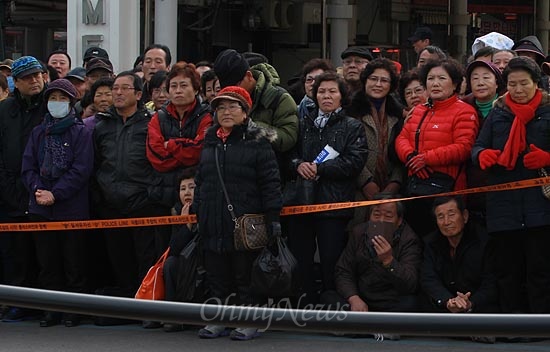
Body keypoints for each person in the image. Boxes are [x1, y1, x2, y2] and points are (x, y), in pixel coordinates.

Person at [194, 86, 282, 340]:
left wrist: (273, 218)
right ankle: (219, 318)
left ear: (245, 112)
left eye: (233, 106)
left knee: (245, 274)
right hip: (212, 219)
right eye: (220, 107)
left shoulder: (258, 141)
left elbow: (270, 182)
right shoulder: (210, 140)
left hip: (246, 221)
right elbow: (201, 179)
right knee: (216, 274)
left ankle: (249, 320)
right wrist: (199, 210)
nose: (226, 112)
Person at [472, 56, 550, 314]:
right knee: (507, 271)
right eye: (513, 84)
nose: (518, 90)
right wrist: (483, 156)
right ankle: (510, 324)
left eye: (524, 84)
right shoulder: (498, 113)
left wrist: (548, 158)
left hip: (541, 206)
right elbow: (478, 146)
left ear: (536, 84)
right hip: (503, 206)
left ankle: (540, 324)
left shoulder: (547, 111)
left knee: (540, 270)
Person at [286, 72, 368, 305]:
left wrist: (321, 169)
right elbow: (288, 156)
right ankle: (304, 301)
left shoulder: (352, 126)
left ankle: (332, 303)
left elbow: (354, 161)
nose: (326, 96)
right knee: (301, 257)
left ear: (342, 96)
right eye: (321, 91)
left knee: (332, 258)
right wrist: (298, 165)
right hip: (301, 202)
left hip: (334, 203)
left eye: (332, 91)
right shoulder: (302, 122)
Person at [21, 79, 94, 328]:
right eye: (53, 98)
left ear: (72, 102)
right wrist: (37, 189)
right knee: (47, 263)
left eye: (63, 99)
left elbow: (81, 169)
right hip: (40, 208)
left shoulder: (80, 131)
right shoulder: (38, 131)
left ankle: (73, 310)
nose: (57, 103)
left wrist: (57, 193)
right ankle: (51, 309)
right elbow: (28, 166)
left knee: (74, 262)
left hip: (71, 208)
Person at [93, 71, 166, 300]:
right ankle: (124, 306)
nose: (118, 93)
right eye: (115, 88)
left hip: (143, 203)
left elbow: (159, 163)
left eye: (124, 88)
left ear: (138, 94)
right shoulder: (101, 125)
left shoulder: (152, 123)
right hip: (111, 206)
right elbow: (95, 163)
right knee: (118, 259)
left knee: (145, 258)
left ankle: (145, 305)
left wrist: (151, 193)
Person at [395, 59, 479, 237]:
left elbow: (464, 147)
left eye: (442, 78)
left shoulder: (465, 111)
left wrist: (426, 159)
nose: (435, 83)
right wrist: (410, 157)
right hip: (416, 186)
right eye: (431, 78)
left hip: (448, 188)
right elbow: (402, 138)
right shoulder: (418, 110)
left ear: (455, 83)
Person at [0, 56, 48, 322]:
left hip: (45, 192)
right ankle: (17, 302)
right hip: (10, 194)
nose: (34, 80)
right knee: (14, 253)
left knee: (44, 253)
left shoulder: (53, 105)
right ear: (15, 82)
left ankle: (46, 303)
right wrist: (13, 192)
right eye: (28, 77)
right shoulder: (4, 111)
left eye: (38, 75)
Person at [146, 61, 213, 251]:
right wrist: (186, 150)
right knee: (162, 252)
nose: (178, 91)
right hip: (162, 194)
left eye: (184, 85)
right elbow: (156, 157)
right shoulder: (158, 118)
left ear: (196, 88)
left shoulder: (207, 116)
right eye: (173, 86)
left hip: (198, 194)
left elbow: (200, 151)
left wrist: (172, 145)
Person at [326, 198, 421, 320]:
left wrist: (389, 261)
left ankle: (361, 328)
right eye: (376, 215)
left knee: (412, 303)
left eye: (388, 216)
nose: (381, 220)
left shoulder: (408, 239)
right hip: (361, 298)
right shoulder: (359, 232)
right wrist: (353, 297)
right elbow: (343, 271)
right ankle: (378, 328)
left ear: (399, 220)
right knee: (328, 297)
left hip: (390, 301)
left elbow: (411, 284)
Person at [346, 58, 405, 227]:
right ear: (364, 81)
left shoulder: (398, 114)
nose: (378, 84)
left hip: (391, 190)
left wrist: (395, 183)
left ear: (391, 85)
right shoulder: (351, 111)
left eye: (384, 80)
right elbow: (346, 151)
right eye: (373, 79)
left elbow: (401, 152)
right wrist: (365, 182)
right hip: (358, 191)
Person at [213, 49, 298, 155]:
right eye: (228, 87)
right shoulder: (226, 99)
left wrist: (253, 127)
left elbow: (288, 138)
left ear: (249, 76)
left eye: (237, 85)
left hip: (268, 165)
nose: (233, 91)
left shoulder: (278, 98)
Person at [421, 196, 497, 313]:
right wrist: (448, 301)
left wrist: (470, 303)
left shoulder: (484, 242)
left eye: (451, 215)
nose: (446, 222)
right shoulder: (431, 243)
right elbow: (428, 279)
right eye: (440, 216)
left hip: (480, 309)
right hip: (444, 307)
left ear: (465, 216)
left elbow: (491, 283)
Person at [162, 167, 199, 333]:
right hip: (185, 260)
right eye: (183, 189)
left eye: (192, 187)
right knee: (170, 264)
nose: (187, 192)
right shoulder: (176, 210)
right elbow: (174, 248)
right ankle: (172, 315)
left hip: (204, 257)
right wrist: (185, 226)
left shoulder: (207, 208)